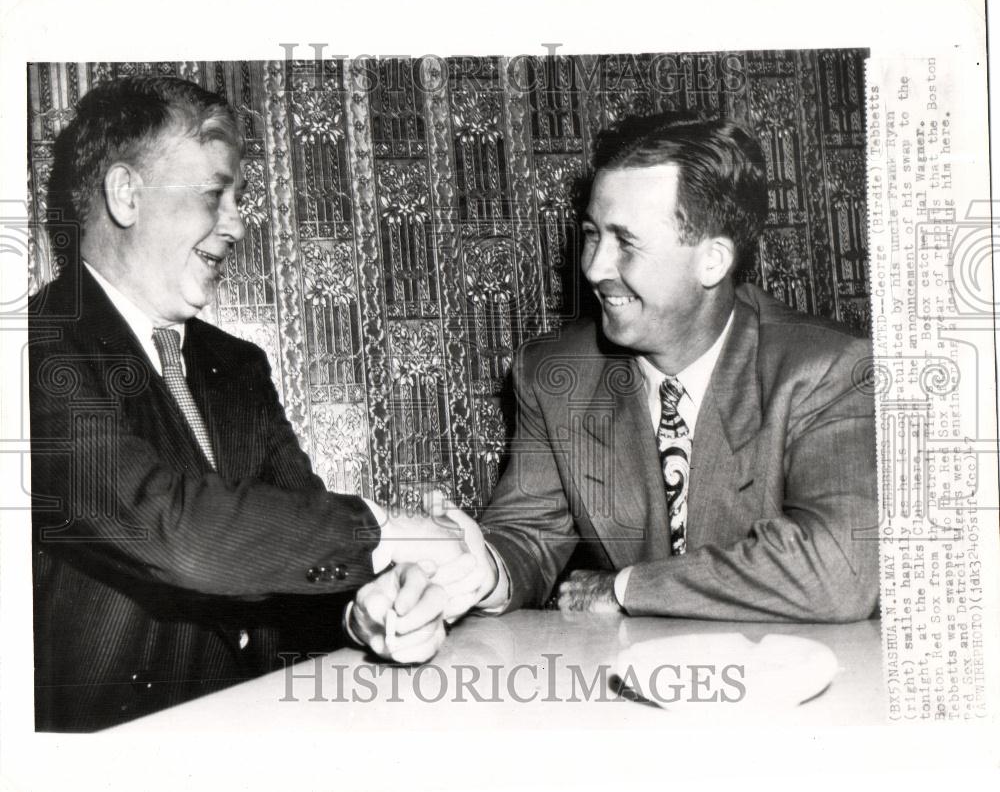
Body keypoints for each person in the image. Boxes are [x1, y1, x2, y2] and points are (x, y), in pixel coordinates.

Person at [29, 75, 484, 732]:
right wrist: (385, 530)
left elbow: (291, 544)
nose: (238, 224)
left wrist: (370, 612)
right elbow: (174, 533)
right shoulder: (35, 350)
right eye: (216, 195)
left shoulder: (238, 365)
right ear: (126, 195)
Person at [425, 112, 879, 624]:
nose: (594, 268)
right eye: (593, 234)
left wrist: (626, 588)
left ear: (712, 261)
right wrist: (482, 568)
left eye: (627, 242)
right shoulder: (555, 374)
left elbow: (840, 571)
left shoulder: (829, 369)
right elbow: (526, 535)